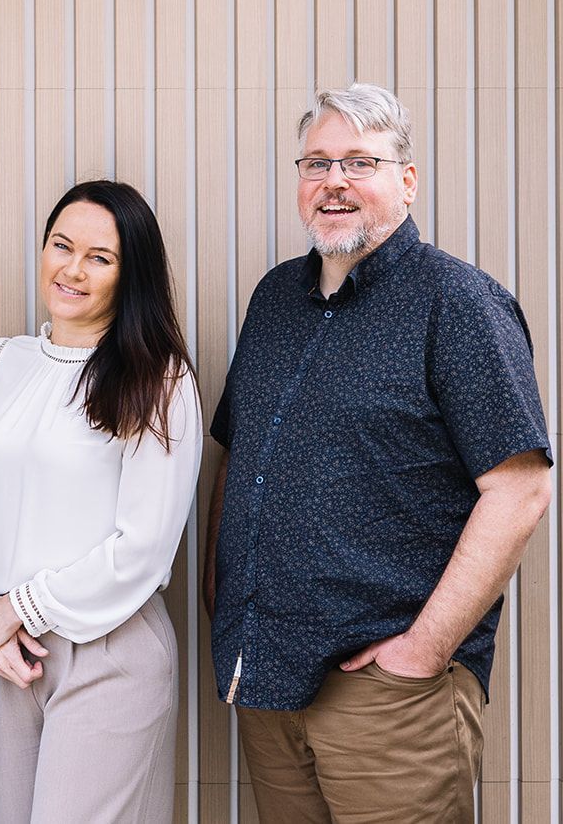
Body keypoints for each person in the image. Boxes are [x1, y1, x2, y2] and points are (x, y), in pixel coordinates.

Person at [202, 84, 553, 822]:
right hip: (267, 682)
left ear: (407, 180)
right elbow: (236, 456)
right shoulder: (273, 301)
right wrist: (223, 599)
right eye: (317, 162)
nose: (334, 181)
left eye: (360, 161)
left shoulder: (456, 303)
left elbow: (520, 489)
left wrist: (421, 653)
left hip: (388, 700)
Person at [0, 179, 202, 823]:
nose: (73, 269)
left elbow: (142, 549)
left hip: (108, 653)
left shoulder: (158, 380)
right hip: (8, 661)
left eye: (100, 257)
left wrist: (19, 607)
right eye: (62, 246)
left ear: (129, 274)